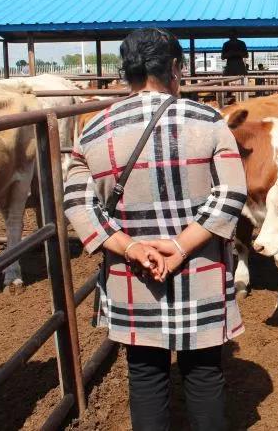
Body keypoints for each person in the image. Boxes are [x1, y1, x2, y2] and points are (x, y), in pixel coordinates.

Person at [64, 28, 247, 430]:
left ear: (125, 72)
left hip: (133, 276)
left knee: (145, 373)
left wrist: (130, 248)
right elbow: (233, 192)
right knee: (204, 372)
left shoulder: (93, 131)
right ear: (176, 69)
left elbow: (78, 204)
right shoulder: (209, 121)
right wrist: (180, 247)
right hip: (198, 270)